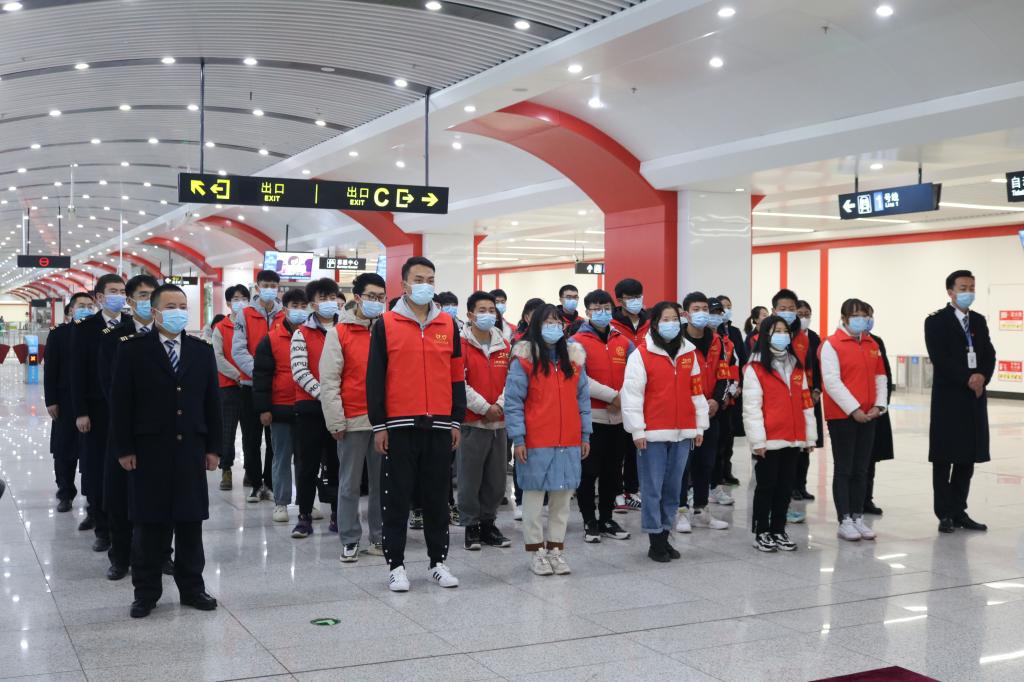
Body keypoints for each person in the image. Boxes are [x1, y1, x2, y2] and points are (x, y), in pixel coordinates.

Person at [110, 283, 221, 619]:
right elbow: (121, 403)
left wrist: (214, 448)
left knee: (190, 522)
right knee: (149, 525)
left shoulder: (201, 351)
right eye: (170, 307)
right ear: (155, 311)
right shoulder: (132, 350)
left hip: (190, 449)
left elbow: (212, 403)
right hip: (148, 450)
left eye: (182, 306)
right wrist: (124, 448)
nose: (178, 312)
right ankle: (145, 592)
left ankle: (192, 588)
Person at [367, 256, 466, 592]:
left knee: (438, 498)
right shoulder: (386, 323)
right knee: (397, 497)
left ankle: (438, 562)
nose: (426, 285)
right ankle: (396, 565)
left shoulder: (448, 325)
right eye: (419, 279)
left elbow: (456, 376)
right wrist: (379, 424)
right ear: (405, 285)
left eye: (430, 279)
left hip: (439, 423)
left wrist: (456, 419)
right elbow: (375, 378)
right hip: (399, 425)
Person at [505, 304, 592, 576]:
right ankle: (536, 552)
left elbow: (583, 400)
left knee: (562, 501)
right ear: (536, 326)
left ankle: (556, 550)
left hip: (569, 440)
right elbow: (513, 402)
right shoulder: (524, 360)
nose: (553, 327)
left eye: (557, 322)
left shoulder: (574, 360)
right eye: (547, 322)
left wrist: (585, 434)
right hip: (535, 441)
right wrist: (518, 438)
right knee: (533, 501)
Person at [621, 301, 707, 562]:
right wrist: (637, 430)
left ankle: (665, 532)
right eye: (665, 319)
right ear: (655, 324)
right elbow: (632, 395)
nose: (671, 324)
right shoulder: (641, 354)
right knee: (652, 488)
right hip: (653, 434)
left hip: (683, 432)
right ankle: (654, 538)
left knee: (673, 488)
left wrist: (699, 425)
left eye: (674, 319)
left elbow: (696, 391)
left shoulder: (689, 353)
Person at [320, 272, 387, 562]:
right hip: (352, 420)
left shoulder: (388, 329)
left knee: (381, 484)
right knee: (349, 484)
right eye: (371, 296)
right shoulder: (339, 333)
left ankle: (379, 536)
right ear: (357, 297)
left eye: (381, 297)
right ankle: (349, 538)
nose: (376, 302)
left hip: (383, 421)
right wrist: (335, 420)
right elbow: (329, 381)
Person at [97, 274, 160, 581]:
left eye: (153, 295)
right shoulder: (113, 337)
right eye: (143, 295)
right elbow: (110, 386)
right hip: (125, 427)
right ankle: (120, 557)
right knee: (120, 496)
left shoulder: (166, 335)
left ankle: (161, 555)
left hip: (160, 432)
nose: (148, 301)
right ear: (131, 301)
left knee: (159, 497)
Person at [925, 270, 995, 534]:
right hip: (949, 398)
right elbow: (940, 358)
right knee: (944, 457)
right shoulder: (935, 321)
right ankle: (944, 513)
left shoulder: (978, 320)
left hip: (974, 397)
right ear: (950, 292)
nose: (968, 292)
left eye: (972, 287)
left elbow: (989, 353)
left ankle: (958, 510)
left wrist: (982, 376)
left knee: (967, 456)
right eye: (963, 287)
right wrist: (967, 378)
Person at [743, 316, 817, 552]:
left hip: (793, 438)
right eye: (777, 331)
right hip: (769, 439)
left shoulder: (795, 364)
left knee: (785, 487)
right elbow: (752, 408)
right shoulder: (755, 368)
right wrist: (757, 441)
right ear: (765, 335)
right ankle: (761, 531)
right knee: (766, 486)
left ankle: (778, 529)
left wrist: (809, 436)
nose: (783, 335)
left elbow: (806, 402)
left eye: (786, 331)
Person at [71, 273, 130, 552]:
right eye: (114, 291)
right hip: (96, 409)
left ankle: (127, 527)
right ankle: (102, 528)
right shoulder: (85, 328)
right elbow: (77, 373)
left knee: (123, 469)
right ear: (99, 297)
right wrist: (81, 411)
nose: (119, 296)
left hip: (125, 408)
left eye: (122, 291)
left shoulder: (131, 324)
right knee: (96, 469)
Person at [821, 298, 888, 542]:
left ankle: (858, 516)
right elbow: (832, 381)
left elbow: (881, 376)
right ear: (844, 318)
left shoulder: (872, 343)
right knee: (844, 468)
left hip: (869, 415)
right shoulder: (831, 344)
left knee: (862, 468)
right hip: (843, 416)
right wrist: (854, 409)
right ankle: (845, 520)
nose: (862, 319)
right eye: (857, 315)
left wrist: (879, 405)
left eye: (865, 315)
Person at [571, 289, 633, 543]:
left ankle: (607, 518)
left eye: (606, 308)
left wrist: (622, 399)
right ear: (587, 312)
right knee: (588, 472)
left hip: (618, 418)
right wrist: (612, 396)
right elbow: (579, 378)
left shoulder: (623, 341)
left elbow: (636, 374)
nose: (602, 312)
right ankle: (589, 520)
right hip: (591, 418)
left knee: (612, 472)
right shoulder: (576, 341)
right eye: (596, 308)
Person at [459, 291, 513, 551]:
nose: (488, 315)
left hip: (499, 423)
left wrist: (499, 406)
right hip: (472, 422)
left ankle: (489, 524)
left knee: (496, 479)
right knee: (470, 479)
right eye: (482, 310)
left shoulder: (504, 345)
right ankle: (471, 526)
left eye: (492, 310)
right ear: (470, 315)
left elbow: (512, 380)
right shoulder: (460, 345)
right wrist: (483, 407)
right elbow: (459, 382)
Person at [291, 278, 341, 538]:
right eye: (323, 298)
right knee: (307, 465)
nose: (329, 302)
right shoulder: (301, 333)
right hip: (310, 408)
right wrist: (327, 395)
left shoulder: (346, 329)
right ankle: (304, 515)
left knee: (338, 463)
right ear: (313, 303)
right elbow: (300, 371)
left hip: (340, 409)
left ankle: (338, 513)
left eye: (332, 297)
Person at [253, 288, 308, 524]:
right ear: (285, 309)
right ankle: (281, 502)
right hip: (281, 407)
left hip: (308, 406)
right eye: (295, 306)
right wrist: (264, 408)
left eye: (303, 306)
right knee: (282, 457)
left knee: (307, 459)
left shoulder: (314, 335)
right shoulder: (271, 339)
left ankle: (307, 501)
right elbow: (261, 376)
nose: (299, 311)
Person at [678, 292, 731, 532]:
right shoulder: (678, 341)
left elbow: (724, 374)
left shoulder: (717, 341)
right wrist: (695, 403)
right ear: (686, 314)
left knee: (706, 463)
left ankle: (701, 509)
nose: (701, 313)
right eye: (696, 309)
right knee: (683, 465)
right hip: (686, 413)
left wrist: (716, 401)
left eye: (704, 309)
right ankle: (680, 511)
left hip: (711, 413)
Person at [232, 271, 283, 503]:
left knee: (274, 440)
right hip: (250, 386)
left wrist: (272, 376)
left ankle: (270, 483)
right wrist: (260, 373)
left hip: (276, 388)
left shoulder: (284, 314)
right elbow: (238, 350)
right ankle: (254, 483)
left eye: (273, 285)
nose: (269, 289)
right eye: (266, 285)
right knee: (251, 439)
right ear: (258, 286)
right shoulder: (245, 314)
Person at [44, 292, 94, 513]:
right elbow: (50, 370)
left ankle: (93, 496)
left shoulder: (99, 332)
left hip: (91, 400)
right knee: (64, 450)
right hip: (65, 402)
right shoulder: (59, 334)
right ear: (71, 310)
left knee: (91, 451)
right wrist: (51, 400)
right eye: (82, 305)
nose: (86, 309)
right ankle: (65, 492)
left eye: (90, 305)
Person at [611, 278, 648, 511]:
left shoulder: (650, 322)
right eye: (630, 297)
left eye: (638, 296)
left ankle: (632, 489)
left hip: (645, 394)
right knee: (618, 449)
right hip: (619, 395)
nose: (635, 301)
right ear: (620, 300)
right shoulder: (612, 324)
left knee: (637, 446)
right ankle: (616, 491)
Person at [212, 285, 249, 491]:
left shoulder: (251, 325)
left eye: (244, 298)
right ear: (228, 303)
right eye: (236, 299)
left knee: (250, 432)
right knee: (227, 431)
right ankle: (226, 469)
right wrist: (237, 375)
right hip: (228, 387)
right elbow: (217, 357)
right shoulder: (221, 327)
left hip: (250, 386)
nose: (240, 302)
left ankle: (251, 470)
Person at [707, 297, 740, 499]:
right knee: (699, 449)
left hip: (722, 403)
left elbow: (732, 368)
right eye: (712, 313)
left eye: (719, 313)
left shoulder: (726, 342)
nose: (716, 317)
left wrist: (727, 394)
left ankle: (716, 485)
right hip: (701, 402)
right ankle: (694, 488)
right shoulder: (692, 340)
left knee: (721, 446)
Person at [864, 303, 893, 516]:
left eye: (869, 316)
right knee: (854, 460)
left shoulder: (877, 341)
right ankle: (852, 501)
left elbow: (885, 374)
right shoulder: (837, 343)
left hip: (876, 408)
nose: (867, 320)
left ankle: (867, 498)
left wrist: (882, 404)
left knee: (871, 457)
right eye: (862, 315)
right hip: (855, 409)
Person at [792, 300, 823, 502]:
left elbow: (819, 366)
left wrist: (817, 389)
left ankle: (801, 485)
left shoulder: (814, 337)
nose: (804, 317)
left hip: (812, 396)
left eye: (807, 314)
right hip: (795, 396)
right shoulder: (789, 336)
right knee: (795, 446)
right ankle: (791, 486)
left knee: (807, 445)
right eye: (800, 313)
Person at [715, 294, 746, 488]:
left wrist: (737, 385)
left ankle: (727, 470)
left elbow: (739, 359)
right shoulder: (714, 333)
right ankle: (716, 476)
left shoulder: (734, 332)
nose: (726, 310)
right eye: (722, 307)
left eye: (729, 306)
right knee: (717, 439)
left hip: (733, 391)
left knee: (729, 435)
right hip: (718, 392)